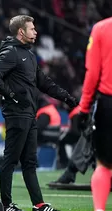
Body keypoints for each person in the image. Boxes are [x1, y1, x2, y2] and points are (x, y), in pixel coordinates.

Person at [0, 15, 78, 211]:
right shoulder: (11, 53)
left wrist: (67, 98)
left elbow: (45, 83)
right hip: (17, 114)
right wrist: (12, 96)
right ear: (21, 32)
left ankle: (38, 204)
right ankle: (6, 204)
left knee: (29, 162)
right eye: (32, 29)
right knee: (10, 160)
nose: (35, 32)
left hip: (29, 114)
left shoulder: (29, 55)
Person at [77, 16, 112, 211]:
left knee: (104, 164)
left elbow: (92, 72)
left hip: (109, 103)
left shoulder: (101, 28)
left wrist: (84, 108)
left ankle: (99, 209)